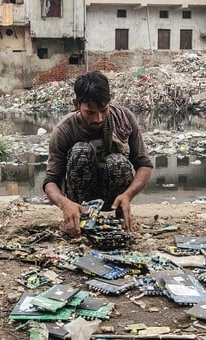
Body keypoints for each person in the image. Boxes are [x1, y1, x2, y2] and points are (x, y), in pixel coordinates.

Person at [43, 70, 153, 237]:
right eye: (90, 112)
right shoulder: (64, 130)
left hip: (114, 199)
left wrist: (128, 195)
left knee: (118, 161)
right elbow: (51, 181)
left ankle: (121, 214)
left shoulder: (124, 119)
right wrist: (64, 203)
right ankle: (78, 216)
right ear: (76, 104)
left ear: (109, 100)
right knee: (81, 150)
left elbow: (144, 165)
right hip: (81, 201)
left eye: (103, 110)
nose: (98, 119)